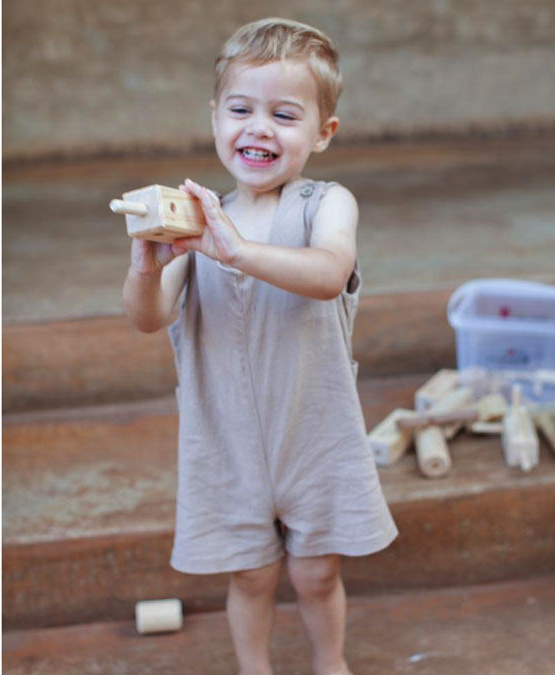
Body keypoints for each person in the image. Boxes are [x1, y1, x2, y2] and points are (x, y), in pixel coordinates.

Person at [122, 18, 396, 675]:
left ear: (323, 133)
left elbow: (329, 273)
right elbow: (150, 317)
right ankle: (255, 667)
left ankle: (330, 662)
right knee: (249, 576)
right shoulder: (197, 217)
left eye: (285, 114)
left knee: (316, 573)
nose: (259, 128)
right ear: (215, 116)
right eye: (241, 109)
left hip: (312, 430)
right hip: (229, 438)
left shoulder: (324, 204)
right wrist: (146, 264)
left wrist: (237, 250)